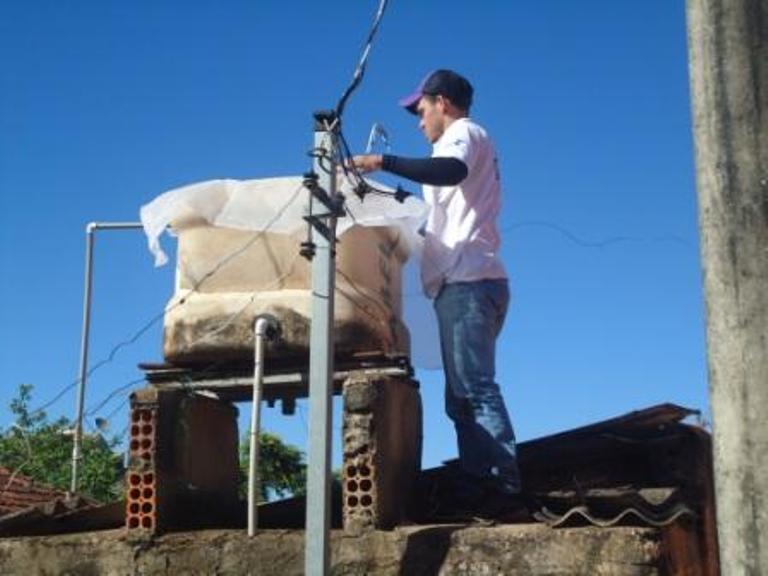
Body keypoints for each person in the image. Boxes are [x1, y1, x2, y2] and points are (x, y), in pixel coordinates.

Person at [351, 69, 521, 504]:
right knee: (461, 396)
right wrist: (395, 200)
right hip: (471, 283)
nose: (418, 120)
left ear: (442, 102)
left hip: (469, 283)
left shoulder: (462, 134)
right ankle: (477, 483)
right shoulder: (464, 143)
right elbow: (446, 208)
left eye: (420, 109)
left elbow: (449, 170)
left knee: (474, 389)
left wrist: (381, 162)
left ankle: (502, 484)